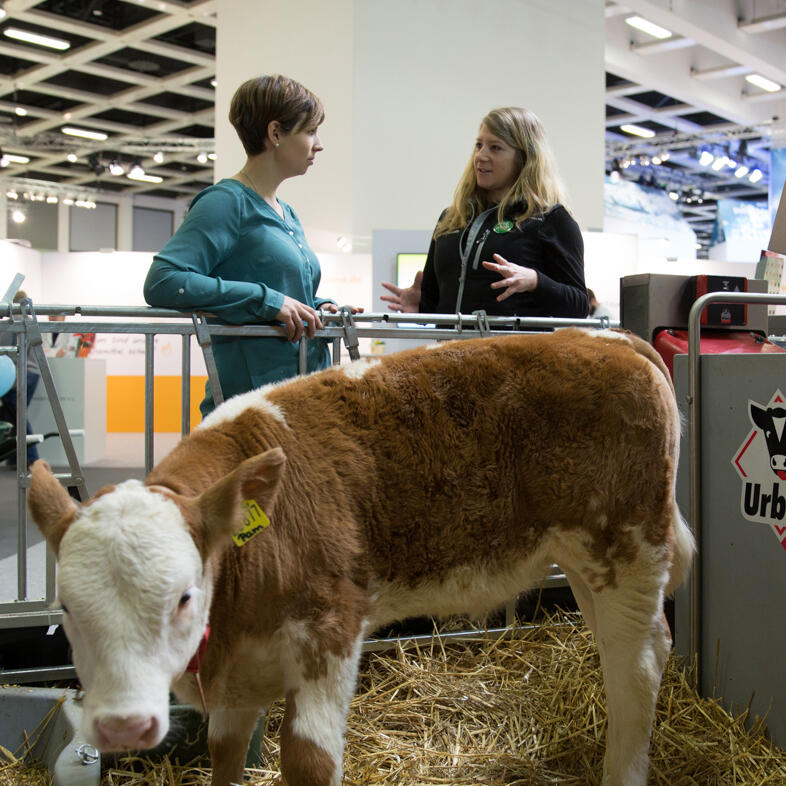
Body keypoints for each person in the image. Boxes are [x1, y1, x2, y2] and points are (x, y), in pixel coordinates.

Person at [143, 74, 361, 416]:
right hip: (250, 409)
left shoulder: (286, 211)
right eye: (310, 131)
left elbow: (286, 294)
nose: (318, 144)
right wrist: (265, 300)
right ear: (275, 134)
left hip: (299, 399)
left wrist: (320, 307)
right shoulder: (225, 202)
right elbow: (163, 281)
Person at [381, 107, 587, 319]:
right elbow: (436, 301)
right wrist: (420, 306)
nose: (481, 156)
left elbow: (579, 306)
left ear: (525, 157)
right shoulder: (451, 218)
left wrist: (535, 281)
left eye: (495, 147)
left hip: (513, 352)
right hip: (449, 350)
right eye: (479, 145)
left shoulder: (550, 219)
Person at [0, 290, 39, 467]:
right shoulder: (29, 322)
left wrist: (13, 379)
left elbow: (11, 353)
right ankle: (16, 457)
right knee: (15, 413)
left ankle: (31, 457)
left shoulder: (14, 323)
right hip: (31, 372)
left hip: (20, 373)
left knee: (17, 414)